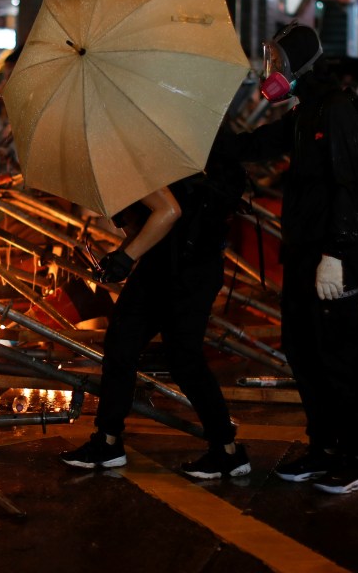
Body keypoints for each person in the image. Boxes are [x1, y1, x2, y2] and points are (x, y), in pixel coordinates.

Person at [216, 22, 358, 494]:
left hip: (331, 258)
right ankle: (322, 448)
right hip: (303, 255)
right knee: (304, 353)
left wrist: (336, 255)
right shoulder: (305, 114)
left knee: (338, 357)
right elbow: (253, 147)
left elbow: (349, 185)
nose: (271, 70)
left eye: (277, 61)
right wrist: (201, 123)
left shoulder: (338, 110)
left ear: (299, 63)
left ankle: (353, 459)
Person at [60, 146, 250, 479]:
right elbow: (141, 227)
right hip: (160, 266)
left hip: (191, 269)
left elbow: (168, 211)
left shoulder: (127, 156)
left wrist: (126, 258)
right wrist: (119, 257)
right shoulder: (109, 168)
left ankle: (228, 451)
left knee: (184, 359)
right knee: (121, 344)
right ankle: (107, 442)